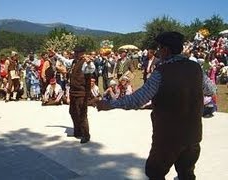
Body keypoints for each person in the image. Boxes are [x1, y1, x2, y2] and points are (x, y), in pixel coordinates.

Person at [97, 31, 213, 179]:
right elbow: (211, 89)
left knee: (155, 172)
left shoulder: (161, 72)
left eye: (159, 48)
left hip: (168, 137)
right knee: (187, 174)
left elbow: (138, 99)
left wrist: (110, 104)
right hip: (193, 135)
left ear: (166, 50)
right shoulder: (195, 68)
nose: (158, 52)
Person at [55, 47, 95, 144]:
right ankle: (78, 131)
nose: (75, 54)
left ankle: (86, 135)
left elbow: (91, 69)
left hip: (82, 93)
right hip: (73, 92)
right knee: (73, 112)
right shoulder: (73, 62)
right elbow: (65, 61)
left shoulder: (86, 63)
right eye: (75, 52)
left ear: (82, 53)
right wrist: (55, 54)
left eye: (77, 52)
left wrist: (89, 62)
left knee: (82, 114)